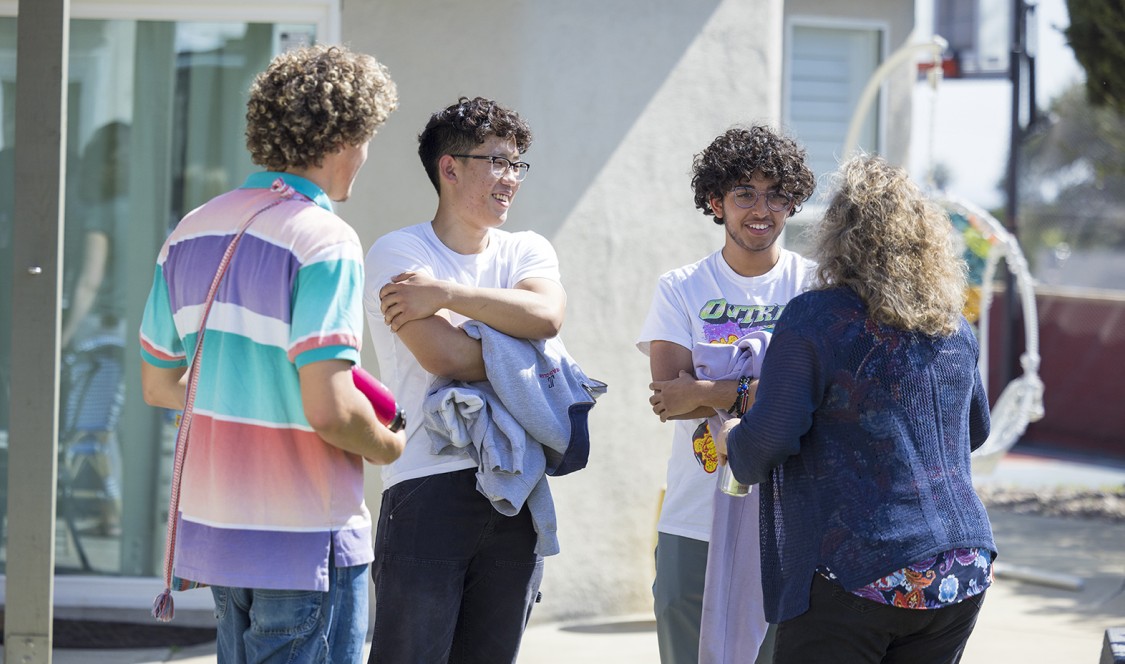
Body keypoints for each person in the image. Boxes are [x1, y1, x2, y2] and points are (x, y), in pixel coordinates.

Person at [138, 44, 403, 663]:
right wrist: (390, 445)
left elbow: (158, 384)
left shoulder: (192, 229)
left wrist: (255, 394)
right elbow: (333, 411)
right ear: (346, 135)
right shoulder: (325, 239)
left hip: (219, 537)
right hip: (303, 538)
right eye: (367, 138)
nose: (365, 155)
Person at [716, 154, 996, 664]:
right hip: (962, 567)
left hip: (863, 570)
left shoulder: (815, 317)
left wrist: (733, 435)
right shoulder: (953, 326)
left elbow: (767, 443)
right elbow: (974, 430)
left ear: (839, 234)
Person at [364, 96, 566, 664]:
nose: (511, 178)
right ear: (449, 167)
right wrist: (518, 344)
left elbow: (547, 318)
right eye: (497, 161)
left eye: (517, 165)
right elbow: (444, 355)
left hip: (516, 487)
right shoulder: (398, 251)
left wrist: (450, 295)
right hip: (426, 483)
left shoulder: (528, 249)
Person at [636, 125, 817, 664]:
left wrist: (708, 390)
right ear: (716, 202)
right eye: (744, 193)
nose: (761, 209)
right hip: (694, 515)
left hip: (790, 518)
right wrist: (767, 393)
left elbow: (815, 396)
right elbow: (670, 399)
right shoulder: (681, 286)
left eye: (776, 194)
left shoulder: (815, 286)